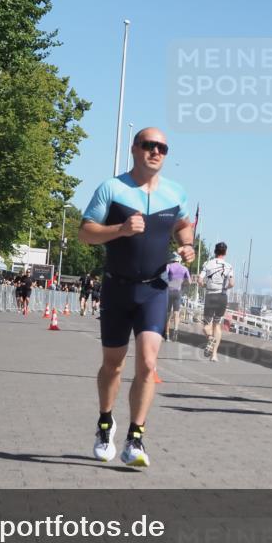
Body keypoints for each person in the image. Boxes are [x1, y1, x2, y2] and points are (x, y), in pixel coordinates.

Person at [79, 127, 195, 468]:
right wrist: (121, 230)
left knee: (148, 363)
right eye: (149, 145)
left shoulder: (175, 193)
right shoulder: (112, 188)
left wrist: (186, 243)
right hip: (117, 287)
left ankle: (136, 437)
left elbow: (183, 224)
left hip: (154, 289)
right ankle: (105, 424)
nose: (156, 151)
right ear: (135, 148)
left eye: (162, 147)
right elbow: (85, 233)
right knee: (113, 364)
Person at [198, 242, 235, 361]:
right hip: (222, 297)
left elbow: (200, 280)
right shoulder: (229, 266)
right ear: (226, 252)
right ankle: (214, 355)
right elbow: (232, 283)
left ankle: (210, 338)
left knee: (206, 325)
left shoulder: (208, 264)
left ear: (215, 251)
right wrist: (224, 288)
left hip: (211, 296)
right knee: (217, 324)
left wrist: (205, 285)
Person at [165, 252, 191, 341]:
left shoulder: (168, 266)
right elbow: (189, 282)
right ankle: (175, 330)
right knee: (176, 313)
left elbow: (163, 276)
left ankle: (167, 334)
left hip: (169, 291)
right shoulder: (184, 268)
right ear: (179, 260)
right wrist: (182, 285)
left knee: (168, 313)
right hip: (178, 292)